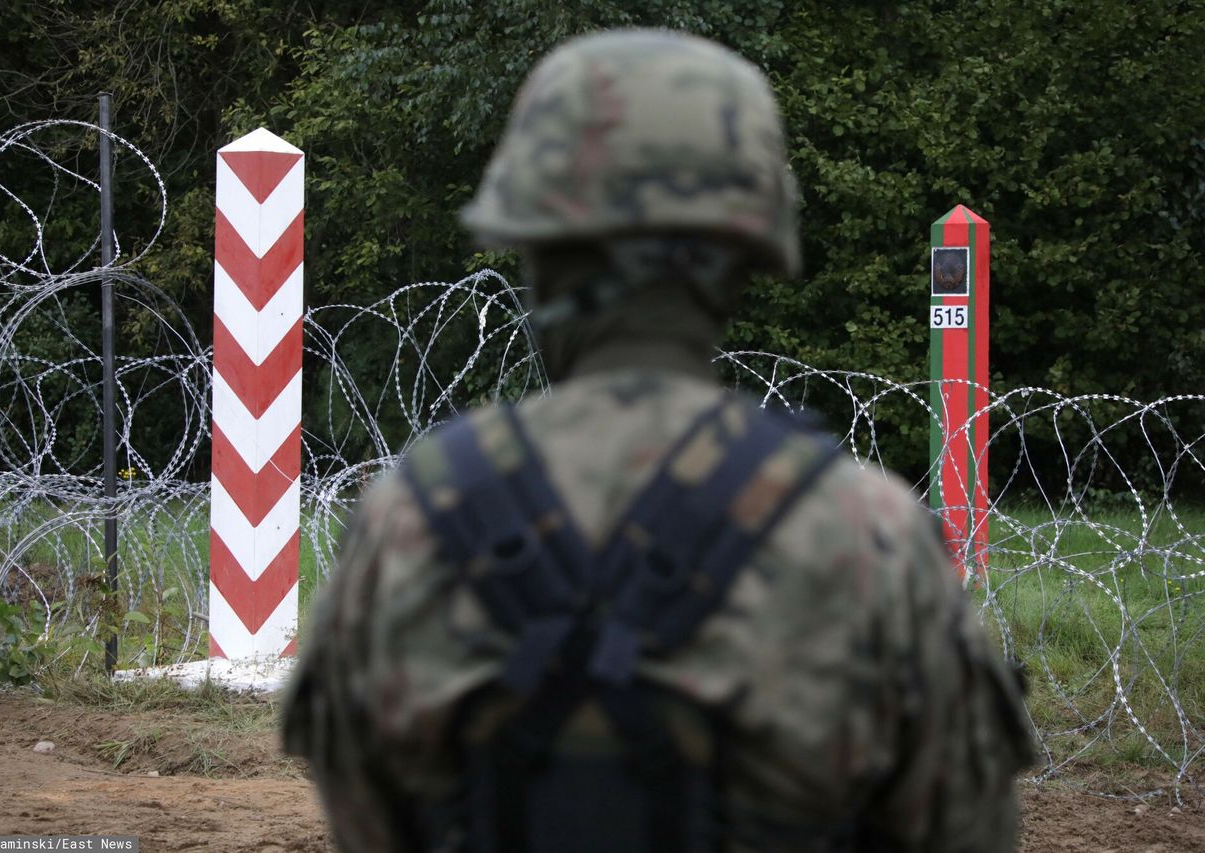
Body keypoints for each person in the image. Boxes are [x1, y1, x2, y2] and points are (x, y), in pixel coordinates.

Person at [282, 28, 1037, 852]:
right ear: (746, 254)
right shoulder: (867, 533)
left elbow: (367, 817)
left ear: (536, 245)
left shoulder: (409, 520)